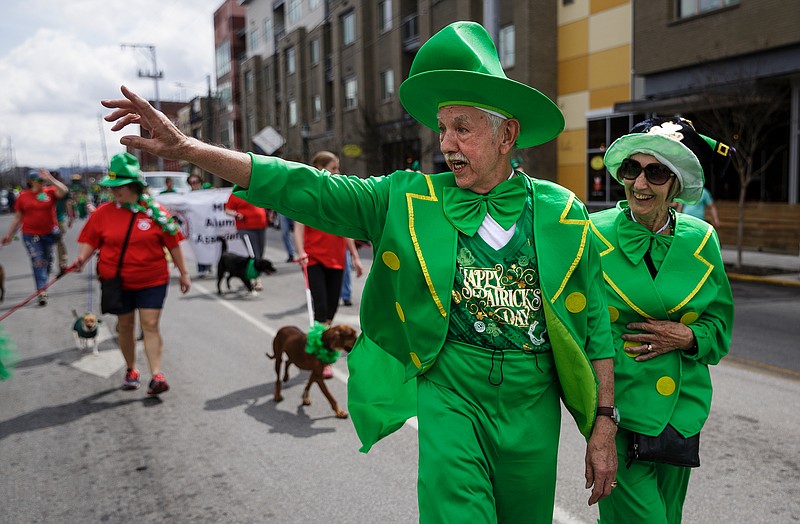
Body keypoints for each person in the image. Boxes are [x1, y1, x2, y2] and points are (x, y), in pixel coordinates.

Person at [102, 21, 617, 522]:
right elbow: (308, 187)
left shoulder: (561, 210)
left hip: (533, 406)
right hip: (453, 395)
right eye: (442, 127)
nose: (446, 143)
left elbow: (595, 324)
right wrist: (192, 150)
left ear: (508, 134)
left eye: (462, 128)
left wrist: (603, 425)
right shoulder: (407, 197)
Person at [590, 117, 734, 523]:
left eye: (655, 172)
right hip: (616, 414)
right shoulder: (590, 233)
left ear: (676, 185)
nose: (639, 183)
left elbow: (719, 327)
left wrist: (688, 336)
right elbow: (572, 325)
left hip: (680, 415)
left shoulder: (703, 240)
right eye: (632, 169)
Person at [72, 152, 191, 395]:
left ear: (134, 186)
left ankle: (157, 375)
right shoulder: (102, 213)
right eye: (113, 187)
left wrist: (184, 273)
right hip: (117, 281)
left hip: (152, 279)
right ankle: (131, 369)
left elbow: (174, 244)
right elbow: (89, 241)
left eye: (121, 187)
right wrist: (81, 259)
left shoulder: (156, 213)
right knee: (125, 325)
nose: (115, 192)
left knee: (150, 324)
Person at [294, 151, 365, 327]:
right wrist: (301, 252)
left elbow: (346, 229)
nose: (338, 172)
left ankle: (323, 342)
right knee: (321, 308)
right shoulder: (308, 195)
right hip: (314, 259)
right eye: (334, 168)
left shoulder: (339, 196)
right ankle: (318, 347)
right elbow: (298, 228)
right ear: (320, 168)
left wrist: (355, 256)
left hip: (337, 259)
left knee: (332, 309)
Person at [2, 169, 69, 305]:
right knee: (38, 261)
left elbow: (64, 190)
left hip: (48, 233)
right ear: (31, 182)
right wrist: (9, 234)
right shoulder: (23, 196)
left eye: (42, 180)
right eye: (39, 180)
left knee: (48, 261)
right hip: (31, 235)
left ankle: (43, 282)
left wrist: (50, 178)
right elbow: (17, 217)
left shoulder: (49, 192)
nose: (41, 183)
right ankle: (41, 291)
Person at [224, 191, 268, 291]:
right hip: (245, 227)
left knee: (260, 253)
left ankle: (252, 275)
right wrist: (236, 214)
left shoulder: (256, 189)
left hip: (261, 226)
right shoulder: (236, 193)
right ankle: (256, 279)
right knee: (254, 253)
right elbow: (227, 210)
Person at [187, 173, 213, 277]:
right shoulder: (188, 196)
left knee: (209, 245)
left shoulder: (206, 192)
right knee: (199, 247)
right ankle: (201, 268)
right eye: (192, 183)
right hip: (196, 227)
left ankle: (208, 265)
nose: (195, 185)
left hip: (207, 225)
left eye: (196, 182)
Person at [53, 172, 75, 276]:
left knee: (58, 241)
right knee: (58, 242)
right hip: (52, 221)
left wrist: (70, 218)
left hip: (59, 220)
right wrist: (70, 219)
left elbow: (68, 205)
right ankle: (62, 262)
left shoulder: (63, 191)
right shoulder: (48, 190)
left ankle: (62, 263)